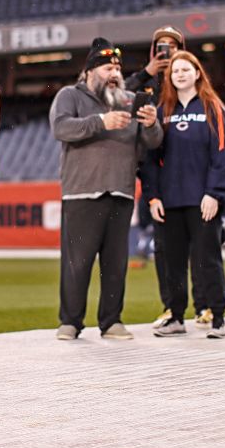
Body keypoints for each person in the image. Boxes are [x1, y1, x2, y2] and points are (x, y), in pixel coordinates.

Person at [51, 37, 161, 341]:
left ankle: (111, 321)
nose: (114, 72)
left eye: (117, 67)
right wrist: (102, 121)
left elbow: (152, 143)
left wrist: (152, 124)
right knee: (77, 263)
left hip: (121, 191)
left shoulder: (129, 99)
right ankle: (70, 321)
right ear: (89, 71)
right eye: (107, 67)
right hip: (81, 192)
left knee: (115, 264)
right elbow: (61, 128)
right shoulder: (69, 95)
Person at [142, 51, 225, 339]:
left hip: (203, 200)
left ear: (197, 73)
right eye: (175, 71)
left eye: (185, 69)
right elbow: (150, 157)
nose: (179, 74)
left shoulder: (213, 107)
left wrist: (215, 193)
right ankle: (176, 317)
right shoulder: (162, 110)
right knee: (173, 263)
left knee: (208, 259)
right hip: (169, 200)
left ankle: (217, 316)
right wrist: (153, 196)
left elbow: (223, 154)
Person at [125, 25, 184, 326]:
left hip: (185, 167)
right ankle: (171, 307)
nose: (166, 51)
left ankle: (205, 306)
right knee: (162, 245)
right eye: (160, 46)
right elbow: (118, 95)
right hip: (155, 170)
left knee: (194, 244)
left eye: (171, 46)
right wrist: (147, 72)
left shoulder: (189, 83)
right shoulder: (144, 84)